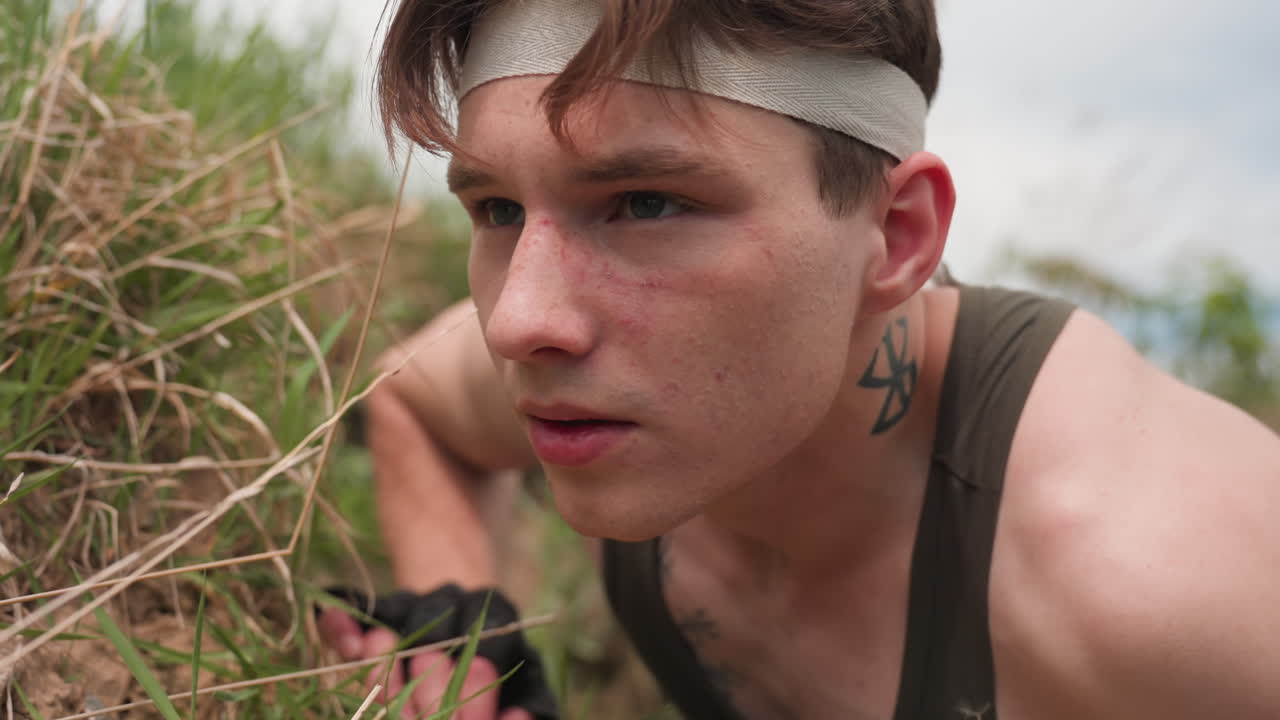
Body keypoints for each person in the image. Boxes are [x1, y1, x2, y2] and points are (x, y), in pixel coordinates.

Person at [318, 0, 1280, 717]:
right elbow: (411, 397)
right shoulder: (632, 385)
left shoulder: (1162, 588)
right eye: (497, 209)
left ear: (898, 236)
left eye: (648, 202)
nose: (518, 322)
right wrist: (465, 634)